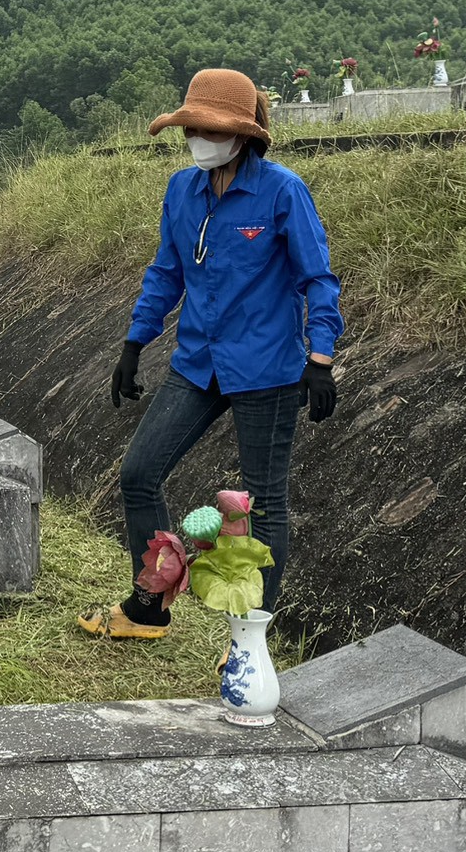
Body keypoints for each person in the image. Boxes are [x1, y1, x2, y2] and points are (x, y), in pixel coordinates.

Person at [78, 67, 340, 642]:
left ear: (243, 134)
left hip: (266, 367)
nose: (198, 138)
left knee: (262, 503)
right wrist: (133, 343)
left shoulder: (281, 191)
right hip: (197, 361)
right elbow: (166, 272)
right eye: (191, 127)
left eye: (209, 128)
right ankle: (149, 607)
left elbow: (317, 278)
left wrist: (320, 360)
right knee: (139, 474)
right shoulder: (182, 190)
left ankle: (250, 642)